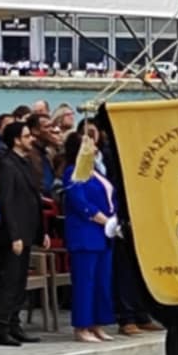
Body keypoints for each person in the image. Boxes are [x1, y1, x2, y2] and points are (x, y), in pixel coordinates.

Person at [0, 121, 46, 345]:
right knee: (9, 281)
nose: (31, 139)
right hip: (14, 235)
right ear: (16, 140)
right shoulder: (7, 165)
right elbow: (7, 202)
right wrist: (14, 235)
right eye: (26, 136)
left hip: (27, 231)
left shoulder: (24, 163)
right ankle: (1, 327)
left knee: (19, 282)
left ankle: (14, 323)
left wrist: (40, 232)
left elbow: (34, 200)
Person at [61, 129, 117, 343]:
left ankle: (97, 323)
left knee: (102, 281)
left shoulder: (96, 172)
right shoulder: (73, 171)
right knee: (86, 282)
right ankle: (82, 326)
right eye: (91, 145)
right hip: (86, 233)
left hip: (103, 235)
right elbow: (80, 201)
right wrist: (103, 219)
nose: (95, 148)